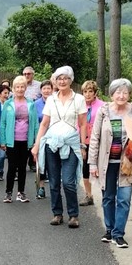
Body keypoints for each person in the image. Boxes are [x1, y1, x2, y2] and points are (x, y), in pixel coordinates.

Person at [88, 78, 132, 249]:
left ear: (129, 94)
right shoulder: (104, 111)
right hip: (107, 162)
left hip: (127, 163)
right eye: (118, 92)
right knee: (108, 197)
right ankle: (109, 229)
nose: (121, 96)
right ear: (112, 94)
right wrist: (92, 163)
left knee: (124, 199)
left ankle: (118, 234)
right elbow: (95, 138)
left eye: (125, 92)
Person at [33, 66, 87, 229]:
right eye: (59, 78)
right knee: (54, 181)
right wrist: (36, 146)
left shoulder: (78, 99)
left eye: (65, 78)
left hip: (70, 144)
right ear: (55, 81)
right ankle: (57, 213)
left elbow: (83, 123)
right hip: (51, 144)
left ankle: (73, 215)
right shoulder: (51, 99)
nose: (62, 81)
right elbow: (44, 124)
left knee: (69, 182)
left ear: (71, 80)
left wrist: (83, 145)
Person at [0, 76, 38, 203]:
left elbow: (35, 124)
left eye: (22, 87)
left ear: (25, 88)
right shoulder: (8, 104)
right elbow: (3, 123)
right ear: (13, 89)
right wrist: (3, 141)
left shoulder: (31, 104)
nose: (20, 89)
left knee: (22, 167)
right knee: (11, 167)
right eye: (17, 87)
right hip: (12, 140)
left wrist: (35, 141)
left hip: (26, 140)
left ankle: (21, 192)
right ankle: (8, 193)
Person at [79, 80, 105, 207]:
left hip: (99, 142)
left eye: (90, 91)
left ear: (95, 93)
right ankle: (89, 195)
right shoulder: (80, 105)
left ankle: (105, 194)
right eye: (85, 92)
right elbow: (77, 124)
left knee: (100, 168)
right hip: (85, 140)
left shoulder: (102, 106)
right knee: (85, 168)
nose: (88, 94)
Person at [32, 79, 54, 200]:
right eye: (44, 88)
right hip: (41, 135)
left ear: (52, 90)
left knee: (52, 162)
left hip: (54, 136)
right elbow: (35, 122)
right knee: (41, 163)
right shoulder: (36, 104)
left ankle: (53, 187)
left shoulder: (56, 102)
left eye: (48, 88)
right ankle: (41, 187)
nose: (46, 90)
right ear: (41, 90)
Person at [0, 84, 11, 181]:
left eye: (8, 93)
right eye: (4, 93)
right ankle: (0, 172)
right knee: (1, 155)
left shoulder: (10, 105)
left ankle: (14, 172)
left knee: (12, 155)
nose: (6, 95)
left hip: (9, 131)